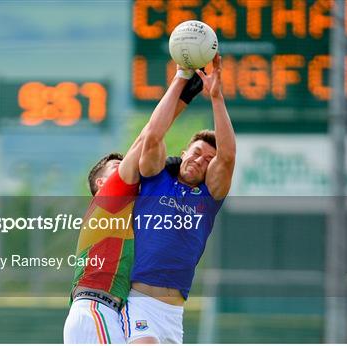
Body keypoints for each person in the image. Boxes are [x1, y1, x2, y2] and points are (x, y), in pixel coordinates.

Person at [63, 66, 204, 344]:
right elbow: (147, 137)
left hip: (106, 311)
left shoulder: (129, 214)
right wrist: (180, 86)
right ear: (101, 185)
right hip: (96, 308)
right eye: (115, 168)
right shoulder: (109, 200)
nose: (123, 170)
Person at [123, 54, 236, 344]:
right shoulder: (156, 179)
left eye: (207, 159)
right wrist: (180, 78)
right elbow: (152, 135)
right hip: (140, 302)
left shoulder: (208, 198)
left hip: (174, 314)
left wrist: (216, 97)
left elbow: (227, 156)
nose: (201, 160)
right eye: (197, 152)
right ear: (184, 152)